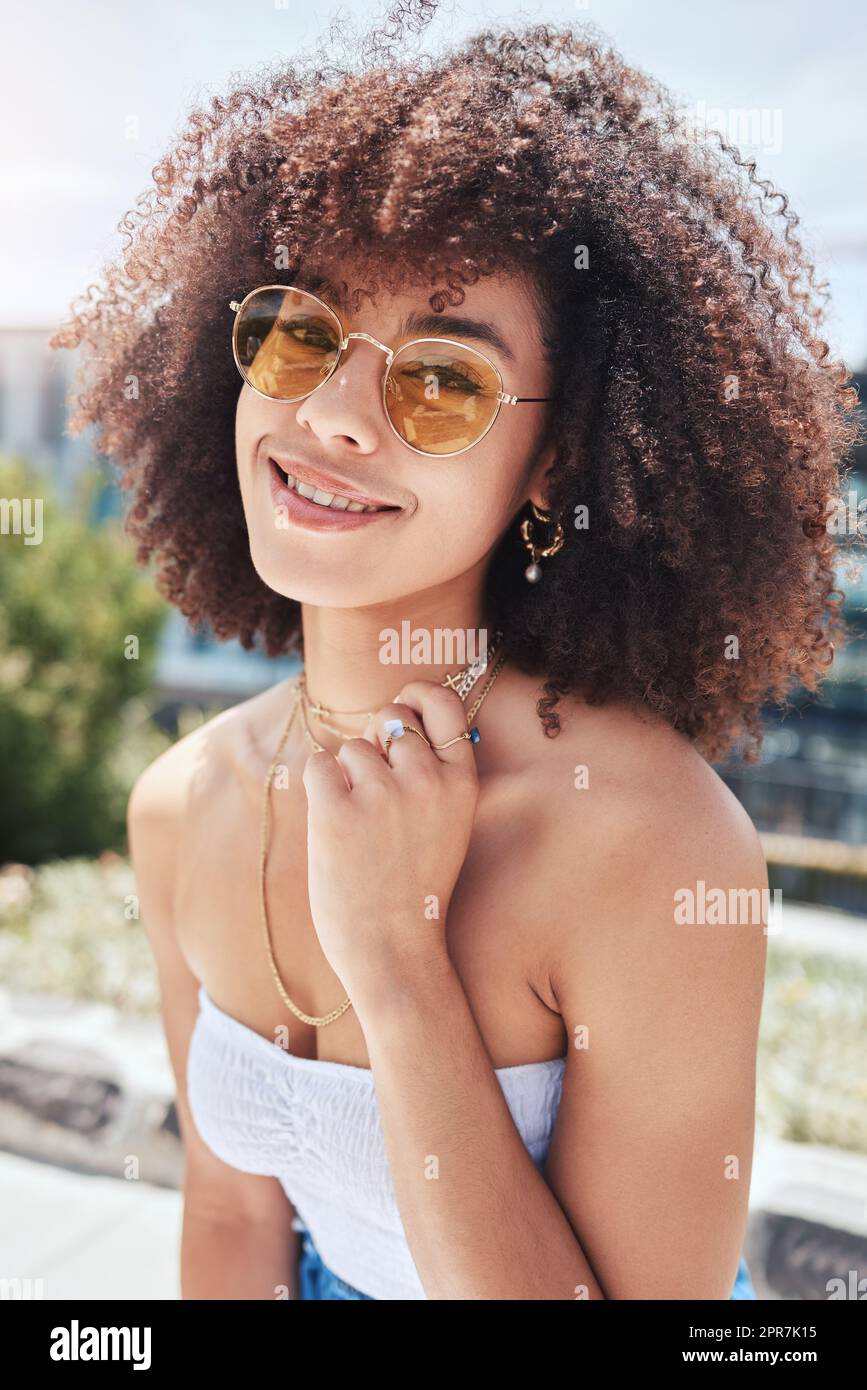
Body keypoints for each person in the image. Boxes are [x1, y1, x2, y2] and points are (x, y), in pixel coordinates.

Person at [51, 5, 859, 1300]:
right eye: (302, 334)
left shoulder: (652, 844)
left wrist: (394, 955)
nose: (331, 413)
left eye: (440, 383)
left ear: (551, 464)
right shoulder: (182, 805)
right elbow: (230, 1231)